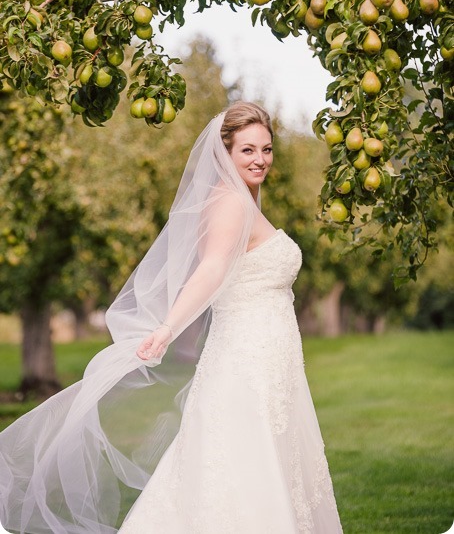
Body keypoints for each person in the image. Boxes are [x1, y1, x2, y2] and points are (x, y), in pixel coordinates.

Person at [0, 102, 343, 533]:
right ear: (226, 153)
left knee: (256, 457)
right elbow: (211, 270)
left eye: (267, 150)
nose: (260, 160)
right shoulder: (230, 203)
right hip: (246, 361)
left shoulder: (245, 201)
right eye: (248, 150)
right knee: (244, 460)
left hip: (269, 358)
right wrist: (167, 328)